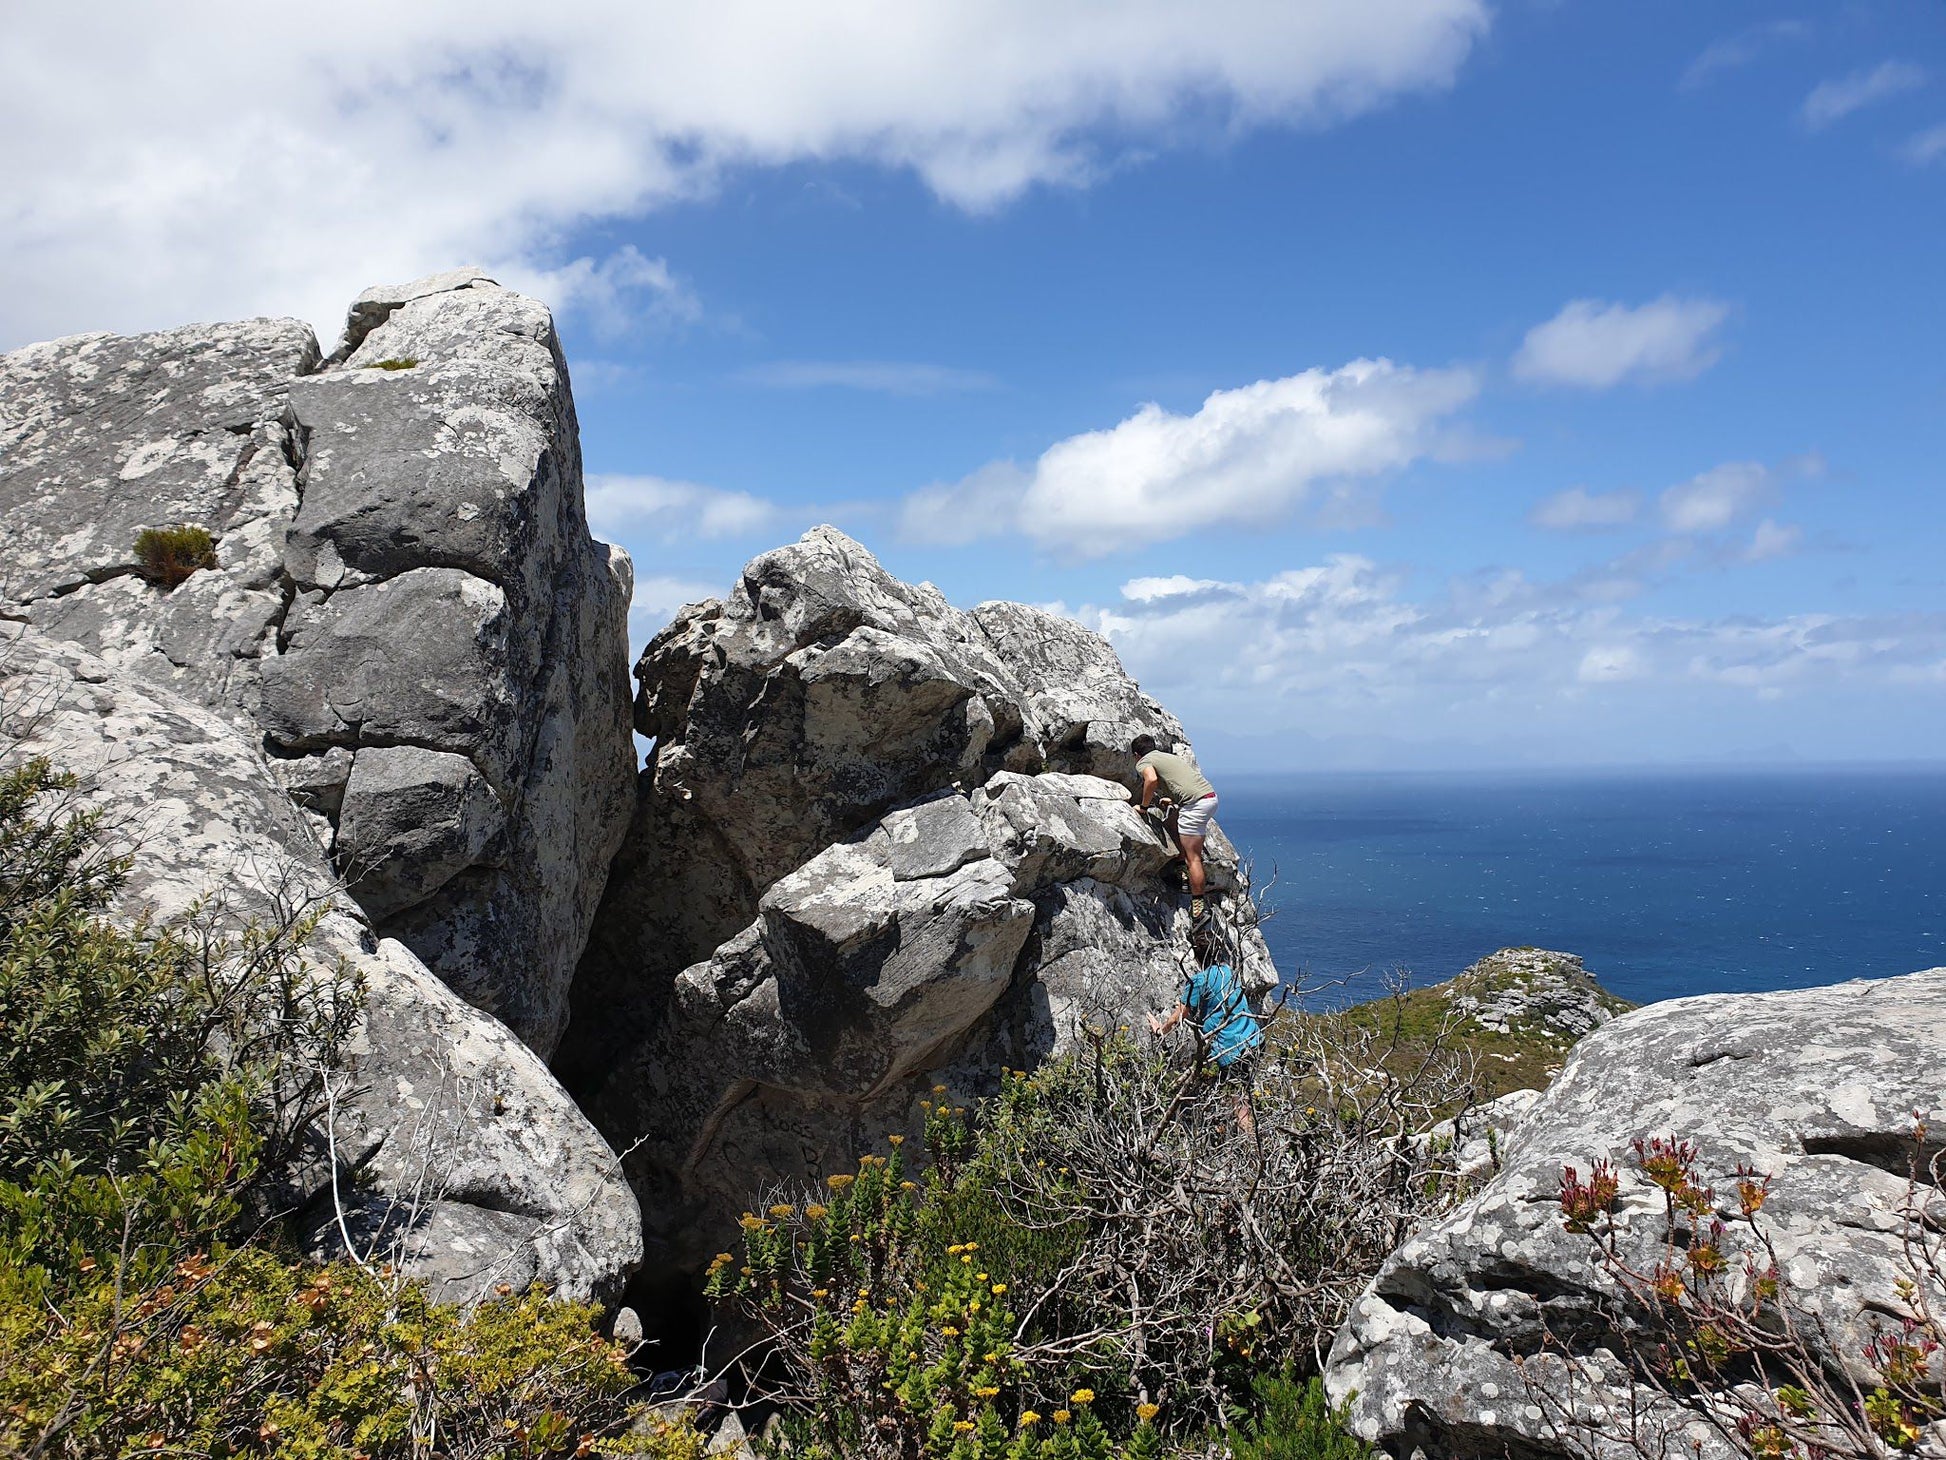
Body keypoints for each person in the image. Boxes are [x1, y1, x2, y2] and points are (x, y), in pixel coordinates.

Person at [1148, 928, 1264, 1132]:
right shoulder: (1228, 971)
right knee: (1238, 1093)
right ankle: (1232, 1133)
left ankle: (1252, 1151)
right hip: (1254, 1039)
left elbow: (1180, 1014)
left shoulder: (1199, 980)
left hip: (1233, 1049)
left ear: (1196, 956)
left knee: (1240, 1105)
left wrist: (1160, 1030)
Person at [1131, 734, 1219, 922]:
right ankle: (1179, 866)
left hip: (1195, 805)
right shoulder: (1167, 757)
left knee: (1193, 859)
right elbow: (1183, 780)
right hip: (1209, 797)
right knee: (1171, 822)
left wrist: (1144, 807)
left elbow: (1152, 780)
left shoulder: (1143, 761)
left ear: (1136, 754)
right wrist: (1173, 798)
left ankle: (1197, 907)